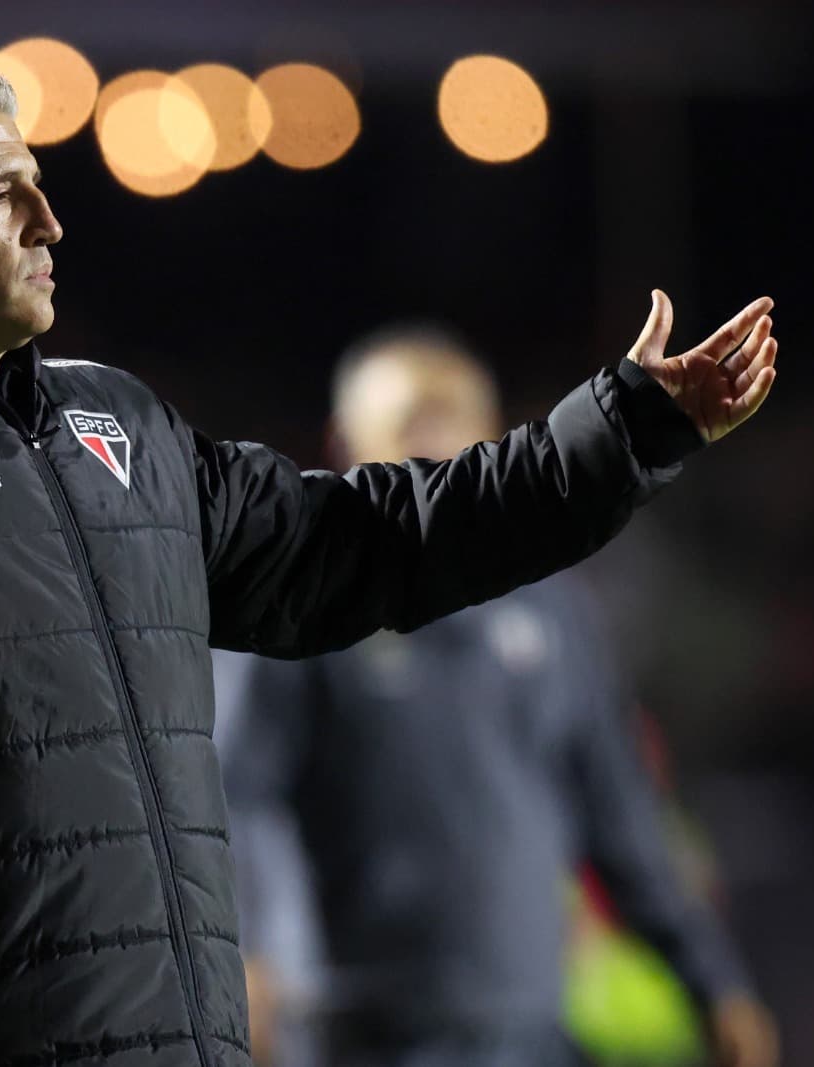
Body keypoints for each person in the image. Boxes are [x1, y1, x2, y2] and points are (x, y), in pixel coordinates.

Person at [0, 72, 779, 1067]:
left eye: (40, 186)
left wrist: (621, 429)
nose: (49, 222)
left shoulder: (111, 423)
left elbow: (368, 541)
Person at [216, 328, 779, 1067]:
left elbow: (619, 813)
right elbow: (241, 798)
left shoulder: (556, 614)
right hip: (356, 1029)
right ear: (347, 438)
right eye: (413, 416)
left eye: (454, 415)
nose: (436, 437)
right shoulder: (302, 605)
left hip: (526, 1027)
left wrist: (712, 980)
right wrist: (255, 958)